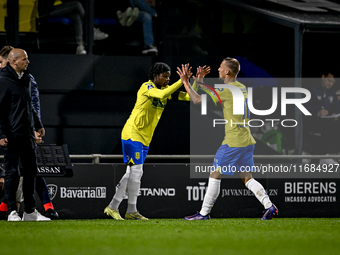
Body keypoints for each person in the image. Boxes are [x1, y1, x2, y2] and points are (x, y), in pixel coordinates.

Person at [177, 58, 278, 220]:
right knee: (247, 178)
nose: (218, 69)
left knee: (215, 174)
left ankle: (203, 213)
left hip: (234, 141)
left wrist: (186, 82)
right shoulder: (240, 87)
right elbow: (215, 93)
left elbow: (196, 100)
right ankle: (269, 206)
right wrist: (201, 82)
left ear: (227, 72)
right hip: (246, 140)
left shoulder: (228, 90)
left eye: (220, 67)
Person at [104, 62, 190, 220]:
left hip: (145, 138)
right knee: (136, 172)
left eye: (169, 77)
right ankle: (130, 210)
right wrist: (181, 81)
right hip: (132, 134)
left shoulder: (165, 90)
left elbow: (189, 97)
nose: (167, 79)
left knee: (132, 173)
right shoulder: (147, 87)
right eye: (164, 76)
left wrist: (196, 81)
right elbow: (161, 96)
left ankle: (114, 207)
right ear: (155, 76)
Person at [0, 46, 59, 220]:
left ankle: (30, 211)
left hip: (26, 134)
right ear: (14, 62)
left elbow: (28, 105)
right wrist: (1, 134)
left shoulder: (25, 78)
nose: (28, 62)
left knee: (31, 171)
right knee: (11, 172)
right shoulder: (2, 81)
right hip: (11, 136)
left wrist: (38, 124)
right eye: (25, 59)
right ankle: (11, 211)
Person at [37, 0, 108, 54]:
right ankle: (91, 30)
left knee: (76, 15)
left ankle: (80, 46)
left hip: (53, 7)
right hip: (45, 11)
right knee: (77, 4)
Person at [304, 70, 340, 159]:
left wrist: (335, 115)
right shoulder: (312, 88)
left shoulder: (332, 92)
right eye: (329, 80)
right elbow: (304, 107)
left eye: (333, 82)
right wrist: (318, 112)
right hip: (311, 126)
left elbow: (336, 107)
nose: (330, 84)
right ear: (323, 77)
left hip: (326, 129)